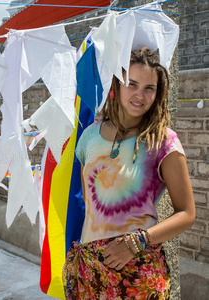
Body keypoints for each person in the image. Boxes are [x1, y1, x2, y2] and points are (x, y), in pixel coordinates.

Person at [62, 48, 195, 299]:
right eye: (131, 84)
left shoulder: (163, 141)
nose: (139, 95)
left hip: (138, 273)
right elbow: (87, 206)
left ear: (158, 94)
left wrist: (138, 242)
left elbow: (187, 213)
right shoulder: (89, 136)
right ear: (117, 85)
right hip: (89, 271)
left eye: (149, 88)